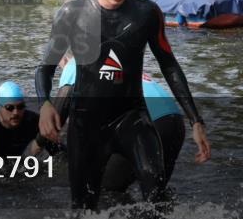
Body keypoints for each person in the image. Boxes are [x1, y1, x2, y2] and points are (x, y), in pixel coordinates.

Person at [35, 0, 210, 219]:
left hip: (131, 117)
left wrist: (196, 120)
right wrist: (45, 104)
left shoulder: (146, 14)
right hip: (86, 125)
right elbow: (45, 68)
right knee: (83, 211)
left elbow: (169, 65)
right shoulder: (71, 14)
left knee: (155, 194)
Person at [55, 55, 186, 193]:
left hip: (150, 122)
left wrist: (37, 147)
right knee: (156, 197)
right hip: (175, 121)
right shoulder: (118, 63)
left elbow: (58, 115)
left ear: (64, 58)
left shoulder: (75, 65)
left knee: (107, 190)